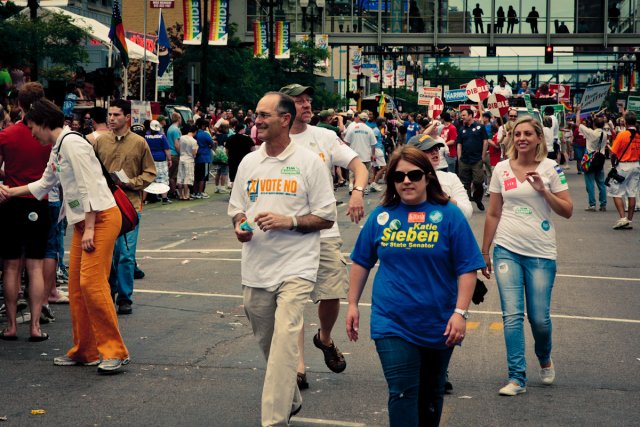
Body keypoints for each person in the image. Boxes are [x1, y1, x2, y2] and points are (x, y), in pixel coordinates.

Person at [346, 145, 484, 426]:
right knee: (402, 392)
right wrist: (352, 304)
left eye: (414, 174)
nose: (406, 181)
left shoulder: (449, 215)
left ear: (428, 177)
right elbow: (361, 261)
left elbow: (467, 268)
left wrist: (460, 313)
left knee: (431, 396)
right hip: (392, 321)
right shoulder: (381, 216)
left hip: (439, 322)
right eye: (399, 176)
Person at [228, 91, 336, 426]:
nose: (257, 121)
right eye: (256, 115)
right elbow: (237, 209)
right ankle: (290, 396)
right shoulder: (249, 162)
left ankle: (274, 421)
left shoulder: (308, 163)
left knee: (287, 338)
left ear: (285, 119)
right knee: (270, 344)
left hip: (297, 267)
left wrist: (288, 221)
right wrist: (240, 226)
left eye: (264, 115)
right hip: (257, 268)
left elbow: (326, 217)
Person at [0, 99, 130, 373]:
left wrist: (90, 228)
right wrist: (10, 191)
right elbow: (45, 183)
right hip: (87, 221)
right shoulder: (59, 146)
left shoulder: (71, 144)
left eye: (33, 126)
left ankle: (114, 351)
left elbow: (88, 186)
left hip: (99, 219)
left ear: (45, 124)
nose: (32, 132)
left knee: (92, 286)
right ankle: (86, 350)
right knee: (77, 288)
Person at [279, 83, 368, 390]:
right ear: (284, 109)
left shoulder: (325, 136)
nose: (306, 104)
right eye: (298, 100)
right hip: (288, 231)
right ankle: (299, 367)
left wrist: (357, 192)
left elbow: (358, 166)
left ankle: (324, 337)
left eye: (308, 100)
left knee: (330, 293)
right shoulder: (274, 141)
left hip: (324, 228)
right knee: (293, 299)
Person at [481, 117, 573, 396]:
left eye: (528, 134)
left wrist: (543, 191)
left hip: (541, 253)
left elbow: (567, 210)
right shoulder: (500, 168)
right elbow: (494, 212)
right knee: (512, 316)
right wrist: (485, 251)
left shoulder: (551, 168)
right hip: (506, 249)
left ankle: (544, 357)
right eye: (517, 134)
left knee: (539, 319)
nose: (521, 138)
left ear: (538, 139)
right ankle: (516, 377)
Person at [94, 99, 156, 315]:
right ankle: (108, 291)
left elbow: (150, 173)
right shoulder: (100, 142)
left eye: (116, 115)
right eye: (109, 115)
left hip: (130, 205)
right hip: (105, 204)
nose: (112, 119)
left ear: (127, 117)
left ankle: (124, 297)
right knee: (108, 253)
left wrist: (131, 183)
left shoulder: (139, 143)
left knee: (126, 254)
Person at [0, 82, 50, 341]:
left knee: (10, 266)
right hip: (38, 202)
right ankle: (35, 327)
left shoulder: (6, 135)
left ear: (19, 105)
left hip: (10, 200)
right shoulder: (47, 137)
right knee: (35, 267)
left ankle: (10, 326)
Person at [410, 134, 472, 219]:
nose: (435, 152)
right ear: (413, 155)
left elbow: (467, 213)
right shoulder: (404, 180)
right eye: (428, 149)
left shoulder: (450, 178)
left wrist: (445, 198)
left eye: (436, 148)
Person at [608, 111, 640, 230]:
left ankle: (622, 218)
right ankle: (629, 220)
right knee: (632, 193)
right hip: (636, 165)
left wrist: (613, 166)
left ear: (625, 122)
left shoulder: (622, 135)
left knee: (616, 192)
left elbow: (614, 153)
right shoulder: (639, 135)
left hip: (623, 166)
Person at [456, 108, 489, 211]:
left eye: (464, 115)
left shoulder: (480, 127)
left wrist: (483, 156)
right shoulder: (462, 129)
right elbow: (459, 144)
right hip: (464, 160)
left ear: (470, 115)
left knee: (478, 181)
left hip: (477, 159)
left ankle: (478, 199)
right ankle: (467, 202)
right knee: (465, 183)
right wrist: (459, 157)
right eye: (462, 115)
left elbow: (485, 141)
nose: (462, 117)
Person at [575, 108, 607, 212]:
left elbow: (578, 123)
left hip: (590, 159)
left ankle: (592, 204)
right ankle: (603, 204)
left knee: (590, 183)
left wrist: (578, 111)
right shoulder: (605, 134)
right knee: (601, 183)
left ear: (594, 125)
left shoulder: (590, 133)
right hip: (600, 159)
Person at [344, 112, 377, 194]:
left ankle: (351, 186)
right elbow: (373, 144)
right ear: (366, 119)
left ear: (359, 118)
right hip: (365, 155)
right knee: (365, 172)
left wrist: (347, 152)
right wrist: (373, 154)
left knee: (353, 172)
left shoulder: (352, 128)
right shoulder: (369, 129)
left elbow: (346, 142)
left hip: (354, 155)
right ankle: (364, 188)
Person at [144, 120, 172, 204]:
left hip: (149, 160)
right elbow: (166, 149)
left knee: (148, 179)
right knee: (163, 179)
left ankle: (144, 199)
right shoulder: (162, 136)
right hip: (161, 160)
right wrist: (169, 159)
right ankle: (164, 198)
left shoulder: (146, 136)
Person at [193, 118, 214, 199]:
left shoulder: (195, 134)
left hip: (197, 157)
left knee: (196, 176)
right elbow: (211, 144)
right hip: (205, 157)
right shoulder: (205, 134)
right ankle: (201, 192)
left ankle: (195, 192)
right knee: (203, 177)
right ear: (203, 126)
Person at [177, 124, 198, 200]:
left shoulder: (182, 137)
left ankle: (180, 195)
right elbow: (194, 153)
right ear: (195, 132)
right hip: (189, 160)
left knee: (180, 177)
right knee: (187, 178)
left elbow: (179, 147)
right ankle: (186, 195)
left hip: (181, 158)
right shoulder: (194, 141)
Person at [166, 112, 182, 198]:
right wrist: (181, 153)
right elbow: (177, 144)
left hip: (170, 154)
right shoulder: (176, 130)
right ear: (178, 118)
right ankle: (173, 192)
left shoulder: (169, 129)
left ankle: (170, 191)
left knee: (170, 174)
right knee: (173, 176)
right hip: (175, 154)